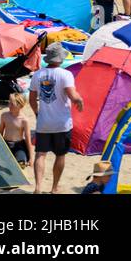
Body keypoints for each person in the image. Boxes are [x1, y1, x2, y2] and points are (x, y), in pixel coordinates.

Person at [29, 42, 84, 194]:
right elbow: (73, 95)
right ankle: (54, 188)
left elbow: (32, 100)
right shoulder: (65, 74)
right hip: (62, 123)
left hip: (44, 122)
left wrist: (37, 113)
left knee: (40, 154)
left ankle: (38, 187)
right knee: (60, 155)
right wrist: (79, 100)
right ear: (60, 58)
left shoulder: (37, 75)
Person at [0, 92, 34, 169]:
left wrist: (31, 158)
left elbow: (28, 140)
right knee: (4, 165)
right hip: (6, 144)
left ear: (20, 106)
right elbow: (0, 133)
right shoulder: (4, 116)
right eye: (9, 103)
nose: (9, 106)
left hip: (19, 146)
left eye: (12, 104)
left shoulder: (24, 120)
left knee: (21, 165)